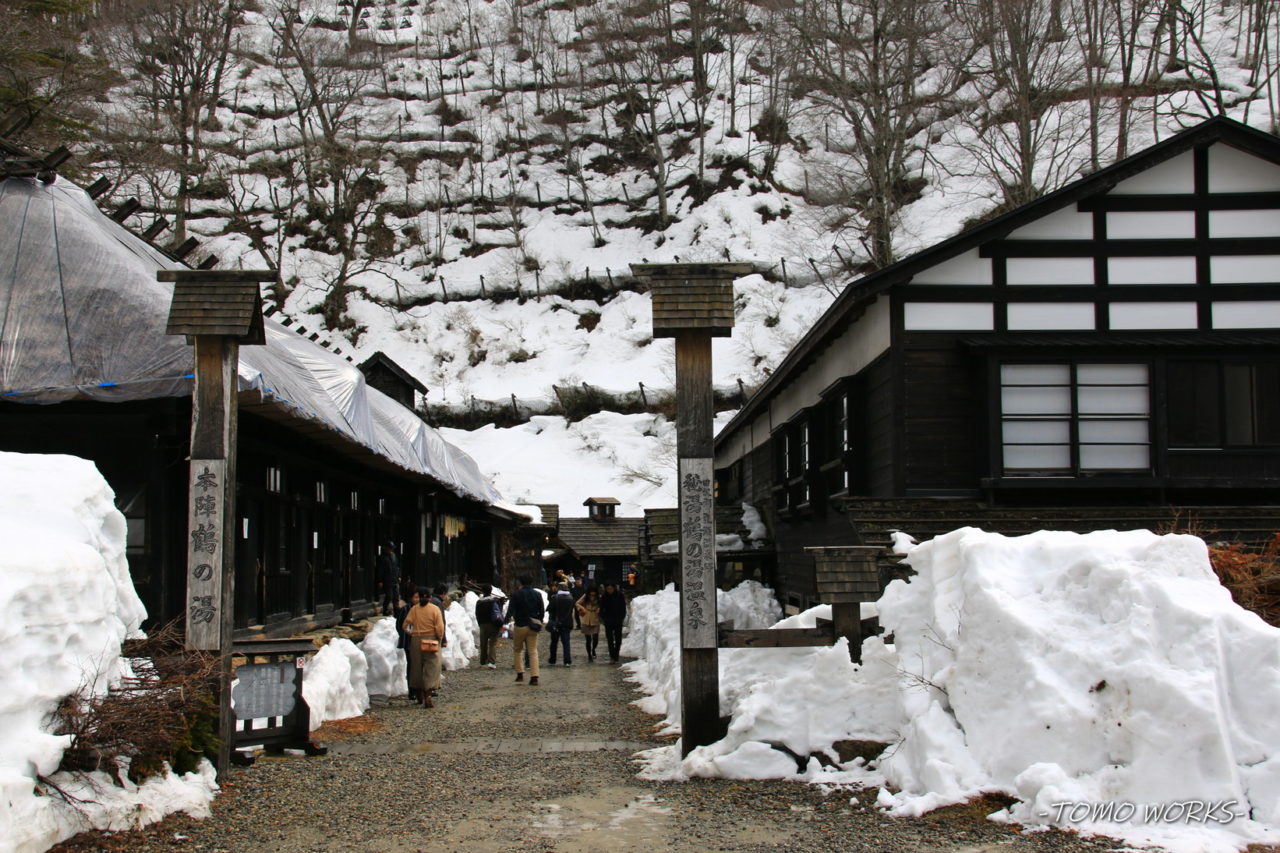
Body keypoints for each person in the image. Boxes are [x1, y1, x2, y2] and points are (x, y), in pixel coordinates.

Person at [403, 585, 446, 707]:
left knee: (417, 667)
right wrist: (439, 638)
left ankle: (419, 693)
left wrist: (412, 633)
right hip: (431, 640)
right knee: (432, 666)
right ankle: (428, 694)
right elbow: (440, 627)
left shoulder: (414, 609)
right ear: (430, 598)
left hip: (416, 640)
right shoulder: (435, 609)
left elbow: (405, 625)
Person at [505, 574, 544, 685]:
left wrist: (505, 620)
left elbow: (511, 610)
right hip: (533, 625)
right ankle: (534, 677)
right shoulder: (537, 594)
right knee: (533, 651)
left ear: (520, 582)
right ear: (532, 582)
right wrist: (539, 620)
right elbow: (541, 610)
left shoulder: (516, 594)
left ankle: (520, 673)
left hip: (520, 625)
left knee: (518, 650)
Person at [395, 584, 419, 700]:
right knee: (412, 665)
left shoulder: (421, 609)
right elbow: (399, 625)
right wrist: (406, 633)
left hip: (419, 639)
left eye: (419, 597)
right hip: (409, 641)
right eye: (415, 597)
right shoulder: (405, 609)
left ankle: (419, 688)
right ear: (410, 598)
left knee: (419, 664)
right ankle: (412, 690)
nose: (417, 599)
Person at [474, 583, 504, 669]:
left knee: (483, 643)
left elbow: (477, 614)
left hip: (483, 624)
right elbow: (499, 612)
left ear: (482, 591)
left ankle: (483, 661)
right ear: (491, 591)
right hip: (494, 624)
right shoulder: (495, 601)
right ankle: (492, 662)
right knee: (492, 643)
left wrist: (480, 624)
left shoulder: (479, 602)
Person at [546, 582, 576, 667]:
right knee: (566, 643)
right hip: (567, 622)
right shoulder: (571, 598)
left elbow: (548, 608)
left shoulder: (555, 598)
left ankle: (552, 660)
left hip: (556, 623)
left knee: (554, 642)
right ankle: (567, 661)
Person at [600, 582, 628, 663]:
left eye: (611, 589)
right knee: (610, 639)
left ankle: (616, 654)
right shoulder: (604, 596)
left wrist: (621, 617)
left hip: (618, 620)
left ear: (614, 588)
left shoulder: (619, 595)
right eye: (608, 589)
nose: (609, 590)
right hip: (608, 620)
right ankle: (612, 656)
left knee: (618, 638)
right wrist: (603, 617)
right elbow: (601, 607)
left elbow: (623, 607)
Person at [576, 586, 601, 662]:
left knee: (595, 638)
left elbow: (603, 604)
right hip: (586, 618)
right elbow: (577, 603)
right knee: (588, 639)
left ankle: (593, 649)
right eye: (591, 594)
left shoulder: (599, 597)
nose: (592, 595)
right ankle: (589, 655)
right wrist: (583, 608)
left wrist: (599, 608)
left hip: (595, 618)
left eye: (593, 593)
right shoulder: (585, 596)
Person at [375, 542, 400, 615]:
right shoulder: (383, 557)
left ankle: (396, 610)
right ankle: (385, 610)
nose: (391, 550)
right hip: (387, 579)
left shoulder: (394, 556)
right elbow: (380, 569)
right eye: (390, 548)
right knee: (389, 596)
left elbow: (397, 567)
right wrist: (380, 580)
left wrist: (399, 576)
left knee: (396, 596)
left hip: (394, 578)